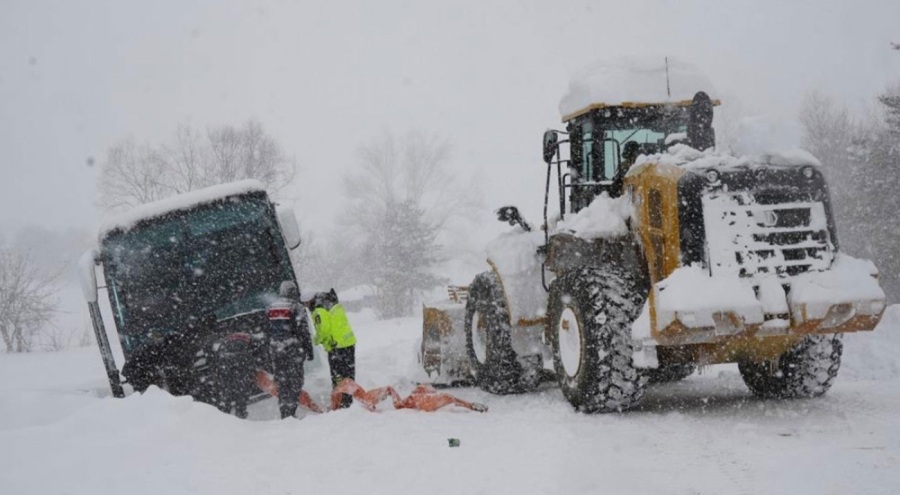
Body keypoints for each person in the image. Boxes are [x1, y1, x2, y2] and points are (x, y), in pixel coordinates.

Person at [267, 281, 314, 418]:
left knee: (282, 382)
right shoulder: (296, 307)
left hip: (276, 350)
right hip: (292, 350)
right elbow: (304, 332)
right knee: (295, 381)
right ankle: (291, 413)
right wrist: (308, 350)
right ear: (293, 292)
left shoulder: (270, 308)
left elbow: (267, 331)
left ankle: (284, 411)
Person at [309, 289, 357, 409]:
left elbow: (323, 329)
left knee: (337, 377)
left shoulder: (318, 309)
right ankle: (348, 401)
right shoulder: (331, 303)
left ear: (308, 301)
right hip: (348, 343)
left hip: (336, 347)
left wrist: (316, 339)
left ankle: (340, 403)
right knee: (349, 374)